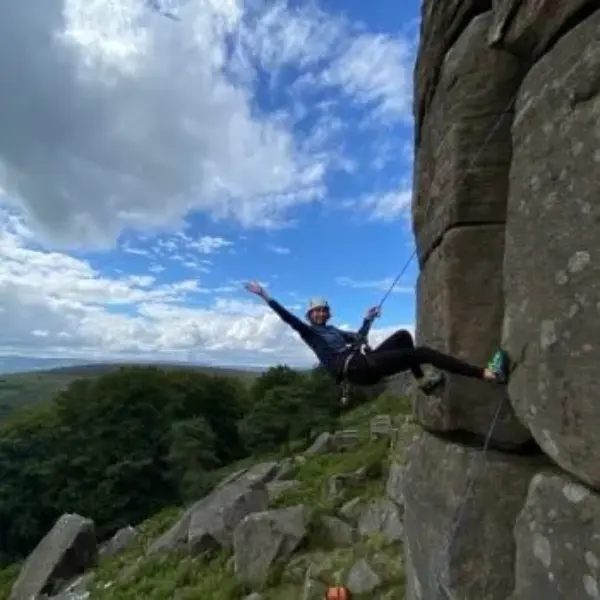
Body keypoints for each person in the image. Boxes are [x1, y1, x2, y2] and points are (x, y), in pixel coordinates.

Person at [244, 281, 510, 394]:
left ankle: (423, 383)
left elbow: (358, 338)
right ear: (310, 315)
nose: (321, 313)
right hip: (358, 368)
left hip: (364, 363)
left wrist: (367, 318)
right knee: (424, 353)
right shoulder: (310, 333)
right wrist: (264, 295)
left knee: (404, 336)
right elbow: (287, 318)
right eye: (317, 311)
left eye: (324, 310)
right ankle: (487, 374)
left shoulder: (335, 332)